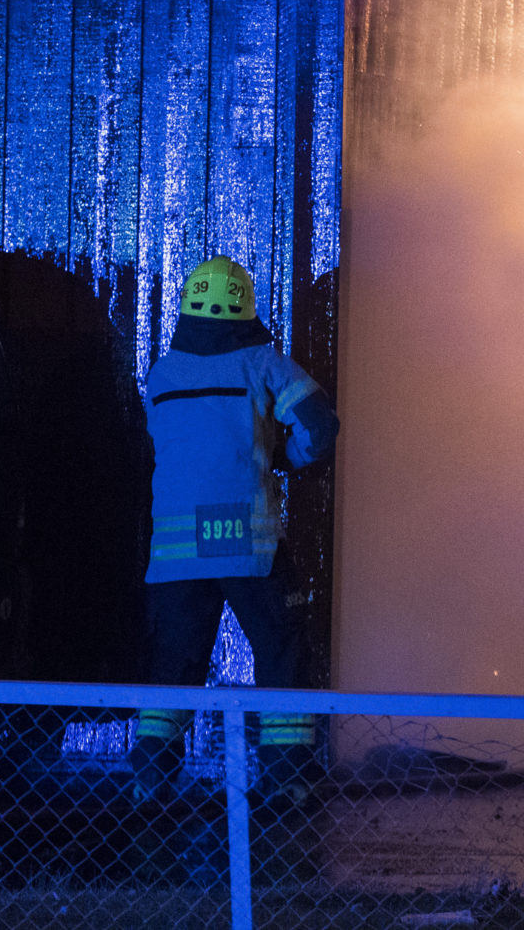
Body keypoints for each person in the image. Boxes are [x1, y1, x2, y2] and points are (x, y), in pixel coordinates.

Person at [129, 255, 340, 806]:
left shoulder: (161, 373)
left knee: (174, 661)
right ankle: (287, 777)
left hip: (174, 554)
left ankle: (150, 776)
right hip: (242, 541)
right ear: (245, 305)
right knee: (281, 646)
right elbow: (320, 427)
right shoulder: (262, 362)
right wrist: (282, 458)